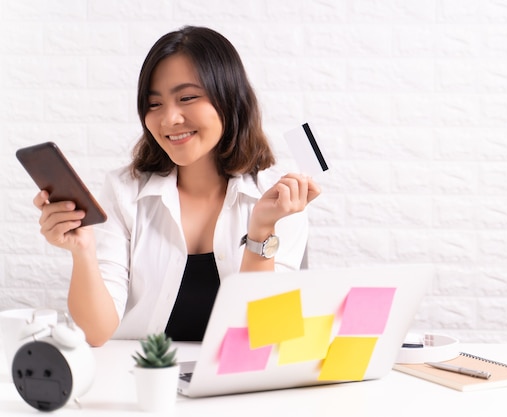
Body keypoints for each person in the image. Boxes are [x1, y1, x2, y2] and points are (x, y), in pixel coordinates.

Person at [33, 26, 321, 346]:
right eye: (154, 104)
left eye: (187, 98)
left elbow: (266, 334)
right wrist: (82, 252)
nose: (169, 119)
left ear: (229, 100)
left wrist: (262, 229)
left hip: (239, 386)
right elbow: (96, 333)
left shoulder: (278, 196)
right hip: (142, 381)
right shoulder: (123, 192)